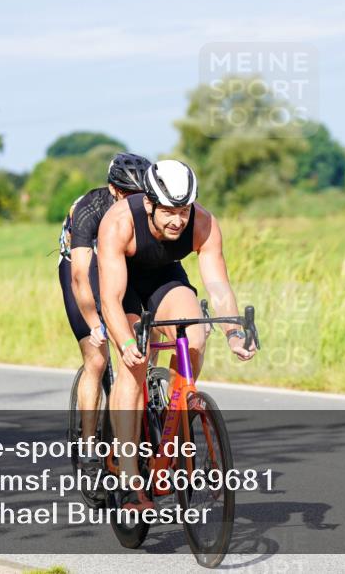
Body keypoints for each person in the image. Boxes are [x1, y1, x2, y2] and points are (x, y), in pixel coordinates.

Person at [97, 159, 257, 511]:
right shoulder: (119, 222)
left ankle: (174, 415)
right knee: (134, 366)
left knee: (195, 333)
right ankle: (128, 479)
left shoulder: (203, 223)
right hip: (123, 285)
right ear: (150, 203)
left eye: (183, 210)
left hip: (164, 279)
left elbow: (217, 287)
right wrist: (125, 343)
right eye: (169, 211)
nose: (177, 220)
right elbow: (109, 298)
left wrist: (233, 333)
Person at [58, 152, 151, 454]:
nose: (134, 201)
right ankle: (87, 446)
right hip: (82, 268)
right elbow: (80, 277)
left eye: (141, 195)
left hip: (120, 265)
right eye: (127, 194)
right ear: (113, 189)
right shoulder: (89, 209)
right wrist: (94, 323)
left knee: (143, 342)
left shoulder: (152, 208)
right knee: (97, 359)